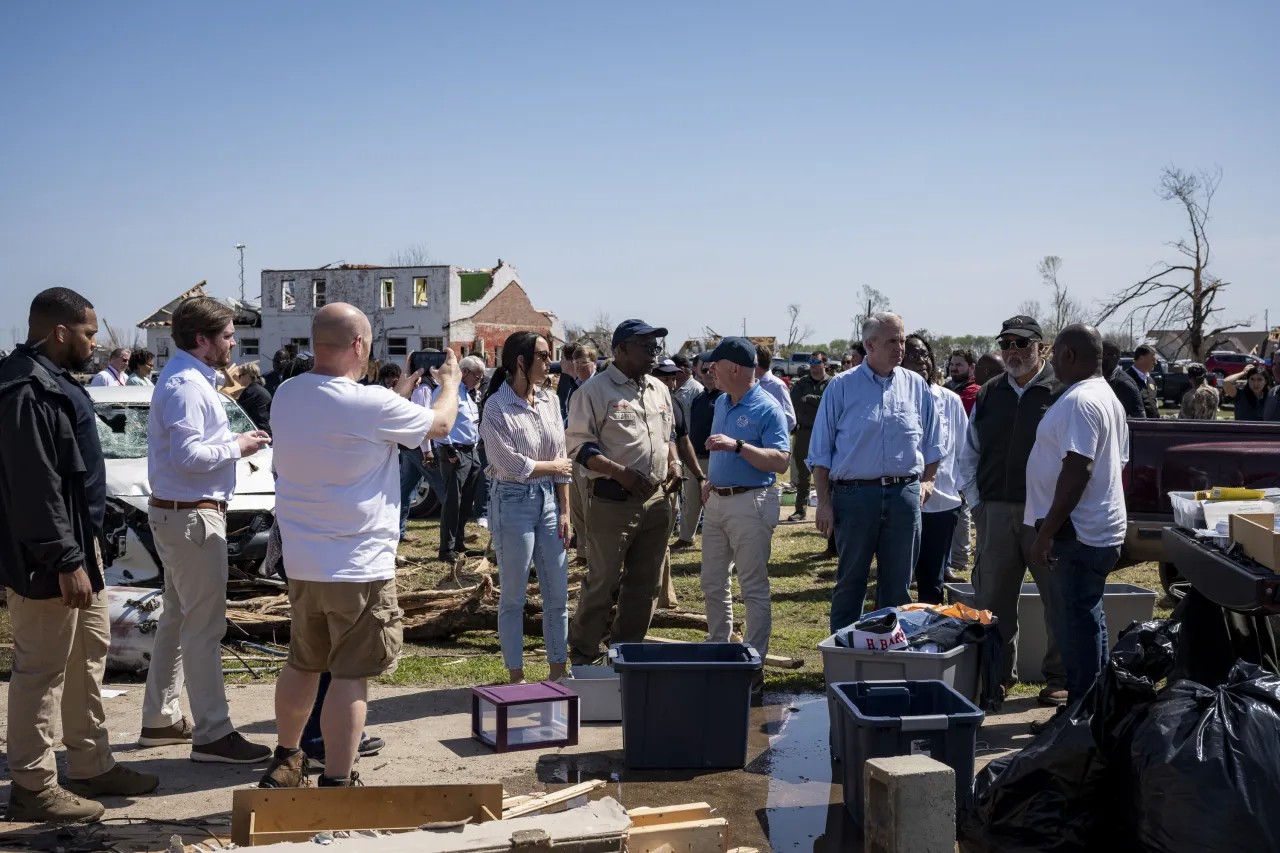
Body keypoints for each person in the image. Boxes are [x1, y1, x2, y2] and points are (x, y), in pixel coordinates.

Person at [259, 302, 460, 789]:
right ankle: (337, 780)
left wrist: (399, 394)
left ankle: (286, 761)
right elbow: (439, 425)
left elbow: (351, 415)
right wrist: (449, 383)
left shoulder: (288, 392)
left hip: (303, 561)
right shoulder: (370, 404)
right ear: (359, 345)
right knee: (349, 676)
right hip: (358, 565)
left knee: (303, 664)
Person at [0, 288, 159, 822]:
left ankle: (91, 763)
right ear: (60, 332)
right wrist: (64, 559)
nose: (96, 343)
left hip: (76, 548)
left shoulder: (56, 381)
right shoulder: (23, 390)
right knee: (41, 670)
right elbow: (34, 486)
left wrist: (82, 553)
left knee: (87, 656)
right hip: (47, 555)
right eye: (90, 333)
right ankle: (32, 784)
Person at [138, 297, 274, 763]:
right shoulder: (186, 386)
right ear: (203, 339)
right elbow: (189, 456)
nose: (234, 343)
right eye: (228, 335)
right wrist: (237, 445)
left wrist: (234, 445)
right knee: (204, 627)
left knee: (178, 620)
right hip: (192, 515)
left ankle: (160, 719)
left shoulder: (188, 380)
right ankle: (213, 733)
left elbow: (188, 453)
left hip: (183, 513)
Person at [957, 315, 1068, 705]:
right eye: (1007, 343)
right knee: (994, 601)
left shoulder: (1062, 392)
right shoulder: (988, 393)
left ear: (1043, 347)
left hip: (1047, 517)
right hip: (996, 511)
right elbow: (969, 451)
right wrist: (977, 502)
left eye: (1023, 343)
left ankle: (1059, 678)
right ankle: (998, 677)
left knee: (1058, 598)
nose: (1013, 352)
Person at [809, 312, 941, 631]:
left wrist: (928, 481)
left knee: (897, 586)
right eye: (892, 341)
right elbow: (820, 452)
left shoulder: (916, 386)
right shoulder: (841, 387)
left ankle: (890, 655)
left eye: (902, 339)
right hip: (854, 495)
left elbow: (935, 442)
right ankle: (844, 651)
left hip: (903, 496)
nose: (901, 347)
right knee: (850, 581)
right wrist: (824, 502)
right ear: (869, 345)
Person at [565, 319, 680, 665]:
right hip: (612, 502)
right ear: (620, 350)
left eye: (655, 346)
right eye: (645, 346)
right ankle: (583, 655)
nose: (653, 353)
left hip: (658, 500)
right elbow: (578, 449)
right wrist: (621, 473)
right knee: (603, 582)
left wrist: (674, 464)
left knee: (646, 586)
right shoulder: (593, 392)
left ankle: (625, 655)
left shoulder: (659, 389)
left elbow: (668, 436)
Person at [1026, 324, 1129, 707]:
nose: (1051, 360)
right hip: (1096, 531)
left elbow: (1078, 469)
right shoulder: (1107, 397)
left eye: (1055, 354)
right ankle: (1093, 710)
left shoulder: (1082, 401)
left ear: (1069, 355)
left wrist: (1045, 532)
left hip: (1078, 534)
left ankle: (1080, 718)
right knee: (1088, 619)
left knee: (1075, 628)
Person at [478, 332, 574, 684]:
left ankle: (558, 674)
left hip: (550, 503)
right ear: (520, 361)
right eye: (543, 355)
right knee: (514, 597)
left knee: (557, 595)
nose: (549, 362)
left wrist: (565, 510)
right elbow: (509, 463)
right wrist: (553, 467)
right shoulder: (495, 407)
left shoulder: (549, 400)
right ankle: (516, 677)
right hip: (512, 502)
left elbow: (560, 454)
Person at [699, 338, 790, 674]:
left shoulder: (767, 408)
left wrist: (737, 446)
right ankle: (719, 648)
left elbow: (781, 461)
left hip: (751, 502)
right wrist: (712, 478)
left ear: (734, 368)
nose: (710, 371)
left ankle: (753, 662)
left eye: (715, 366)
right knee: (712, 581)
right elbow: (719, 448)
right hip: (719, 501)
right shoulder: (723, 402)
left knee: (751, 585)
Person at [902, 335, 967, 605]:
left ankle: (930, 635)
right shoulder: (895, 398)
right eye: (913, 355)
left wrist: (961, 493)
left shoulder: (950, 400)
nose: (921, 361)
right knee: (899, 578)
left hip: (942, 503)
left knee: (933, 582)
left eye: (925, 355)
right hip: (901, 503)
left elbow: (964, 449)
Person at [434, 356, 486, 563]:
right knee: (452, 502)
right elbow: (438, 419)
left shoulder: (468, 393)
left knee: (466, 502)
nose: (479, 380)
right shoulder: (448, 392)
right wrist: (448, 449)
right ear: (464, 372)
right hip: (455, 452)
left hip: (471, 451)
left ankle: (458, 543)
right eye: (477, 376)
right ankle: (446, 549)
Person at [675, 356, 720, 550]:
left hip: (715, 458)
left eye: (712, 370)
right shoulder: (700, 397)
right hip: (694, 457)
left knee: (713, 503)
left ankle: (715, 540)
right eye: (705, 370)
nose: (709, 374)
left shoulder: (724, 397)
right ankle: (686, 537)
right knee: (690, 500)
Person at [787, 350, 830, 521]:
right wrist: (815, 401)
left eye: (816, 362)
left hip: (824, 432)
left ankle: (828, 507)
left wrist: (810, 398)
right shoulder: (800, 383)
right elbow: (797, 402)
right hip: (804, 432)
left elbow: (827, 402)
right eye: (811, 362)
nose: (813, 365)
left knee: (828, 472)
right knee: (802, 474)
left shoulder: (831, 383)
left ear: (824, 364)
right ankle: (800, 510)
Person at [671, 353, 707, 549]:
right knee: (687, 495)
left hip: (694, 449)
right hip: (683, 449)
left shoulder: (695, 390)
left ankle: (693, 532)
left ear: (684, 370)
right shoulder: (678, 390)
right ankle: (686, 535)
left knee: (697, 495)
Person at [754, 343, 797, 432]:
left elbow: (790, 419)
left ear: (756, 362)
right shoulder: (752, 383)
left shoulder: (777, 385)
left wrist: (771, 435)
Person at [1101, 342, 1146, 419]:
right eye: (1098, 354)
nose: (1100, 358)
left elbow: (1140, 420)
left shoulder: (1125, 384)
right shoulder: (1094, 380)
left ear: (1117, 358)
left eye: (1104, 354)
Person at [235, 361, 273, 434]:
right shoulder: (261, 390)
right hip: (266, 431)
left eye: (240, 376)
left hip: (258, 433)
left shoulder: (249, 392)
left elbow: (238, 414)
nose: (239, 378)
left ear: (247, 376)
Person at [1125, 345, 1161, 418]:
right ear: (1141, 358)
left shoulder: (1151, 381)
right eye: (1153, 359)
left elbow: (1154, 404)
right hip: (1136, 427)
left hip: (1153, 426)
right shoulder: (1126, 379)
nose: (1156, 363)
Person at [945, 350, 979, 415]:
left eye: (959, 365)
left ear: (972, 368)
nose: (953, 368)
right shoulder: (946, 387)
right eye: (951, 364)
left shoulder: (976, 391)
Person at [556, 342, 580, 424]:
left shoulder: (585, 386)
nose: (560, 362)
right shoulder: (572, 383)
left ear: (572, 361)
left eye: (562, 358)